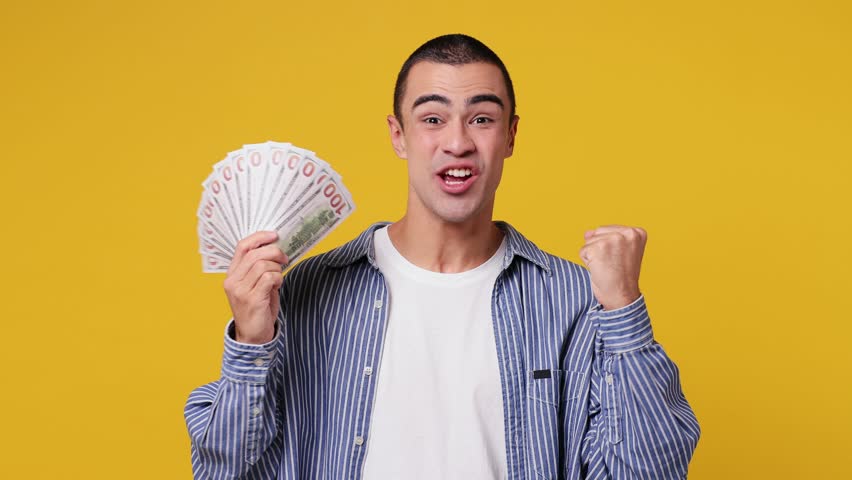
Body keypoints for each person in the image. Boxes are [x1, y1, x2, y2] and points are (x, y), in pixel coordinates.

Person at [185, 33, 700, 479]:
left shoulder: (575, 300)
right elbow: (223, 470)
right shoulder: (307, 291)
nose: (457, 142)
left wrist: (625, 312)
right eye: (432, 118)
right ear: (398, 135)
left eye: (481, 118)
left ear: (510, 136)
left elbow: (650, 470)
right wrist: (251, 343)